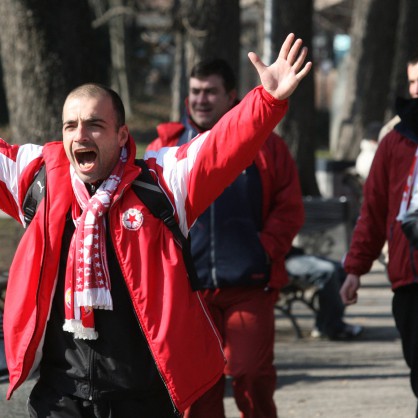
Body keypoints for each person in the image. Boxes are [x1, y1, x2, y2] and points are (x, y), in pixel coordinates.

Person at [0, 34, 311, 418]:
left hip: (142, 394)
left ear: (122, 135)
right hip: (61, 394)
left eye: (95, 125)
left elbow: (221, 148)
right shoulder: (40, 180)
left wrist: (267, 100)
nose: (80, 135)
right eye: (71, 126)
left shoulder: (160, 182)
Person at [147, 56, 353, 418]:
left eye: (211, 92)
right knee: (199, 389)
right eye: (195, 92)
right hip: (190, 293)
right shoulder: (163, 150)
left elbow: (290, 210)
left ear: (231, 97)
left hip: (249, 283)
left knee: (251, 375)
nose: (201, 100)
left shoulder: (267, 146)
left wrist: (262, 250)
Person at [340, 52, 418, 411]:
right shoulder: (394, 141)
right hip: (409, 281)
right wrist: (355, 269)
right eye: (413, 82)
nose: (416, 91)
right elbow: (372, 212)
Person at [285, 246, 363, 340]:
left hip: (293, 254)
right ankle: (329, 326)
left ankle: (330, 322)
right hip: (278, 262)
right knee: (328, 271)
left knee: (342, 268)